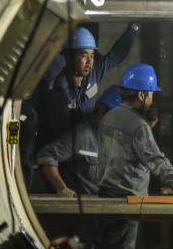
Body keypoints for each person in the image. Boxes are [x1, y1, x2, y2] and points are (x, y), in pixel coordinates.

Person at [88, 63, 173, 249]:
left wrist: (148, 127)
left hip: (105, 200)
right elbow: (157, 163)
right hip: (127, 203)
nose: (152, 100)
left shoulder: (109, 118)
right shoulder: (139, 126)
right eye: (151, 94)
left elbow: (124, 153)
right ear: (141, 94)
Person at [19, 23, 139, 185]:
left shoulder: (94, 73)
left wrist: (132, 31)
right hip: (60, 152)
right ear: (68, 57)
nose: (89, 62)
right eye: (83, 56)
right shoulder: (57, 87)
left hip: (83, 150)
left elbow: (115, 56)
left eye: (92, 55)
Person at [33, 86, 122, 197]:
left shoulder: (121, 138)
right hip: (85, 204)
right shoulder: (82, 136)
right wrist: (62, 189)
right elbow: (46, 156)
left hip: (110, 202)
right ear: (102, 110)